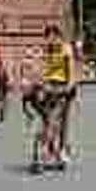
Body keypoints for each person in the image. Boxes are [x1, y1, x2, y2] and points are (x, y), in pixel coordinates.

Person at [35, 24, 75, 171]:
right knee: (48, 121)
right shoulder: (48, 51)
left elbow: (71, 72)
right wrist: (38, 83)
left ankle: (61, 151)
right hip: (49, 87)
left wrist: (68, 87)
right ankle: (50, 151)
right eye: (47, 37)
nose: (50, 41)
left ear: (58, 36)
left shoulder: (66, 49)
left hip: (63, 87)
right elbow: (43, 69)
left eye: (52, 37)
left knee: (61, 122)